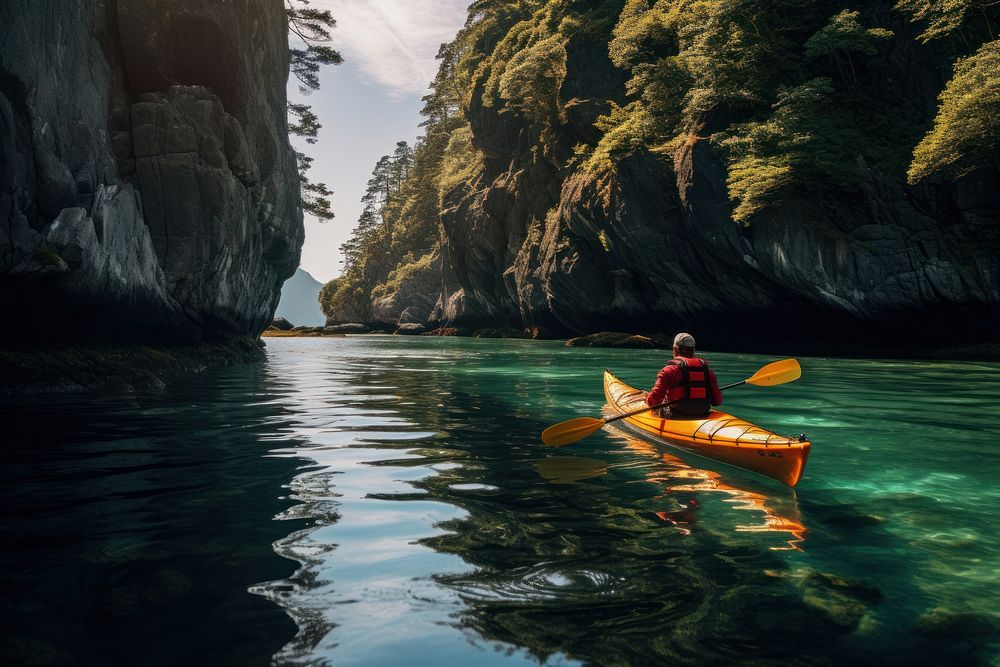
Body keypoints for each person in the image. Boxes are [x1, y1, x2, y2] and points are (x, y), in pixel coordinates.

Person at [646, 332, 723, 418]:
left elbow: (653, 402)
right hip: (702, 414)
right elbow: (717, 401)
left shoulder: (669, 371)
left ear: (675, 349)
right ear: (693, 351)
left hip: (675, 415)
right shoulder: (708, 372)